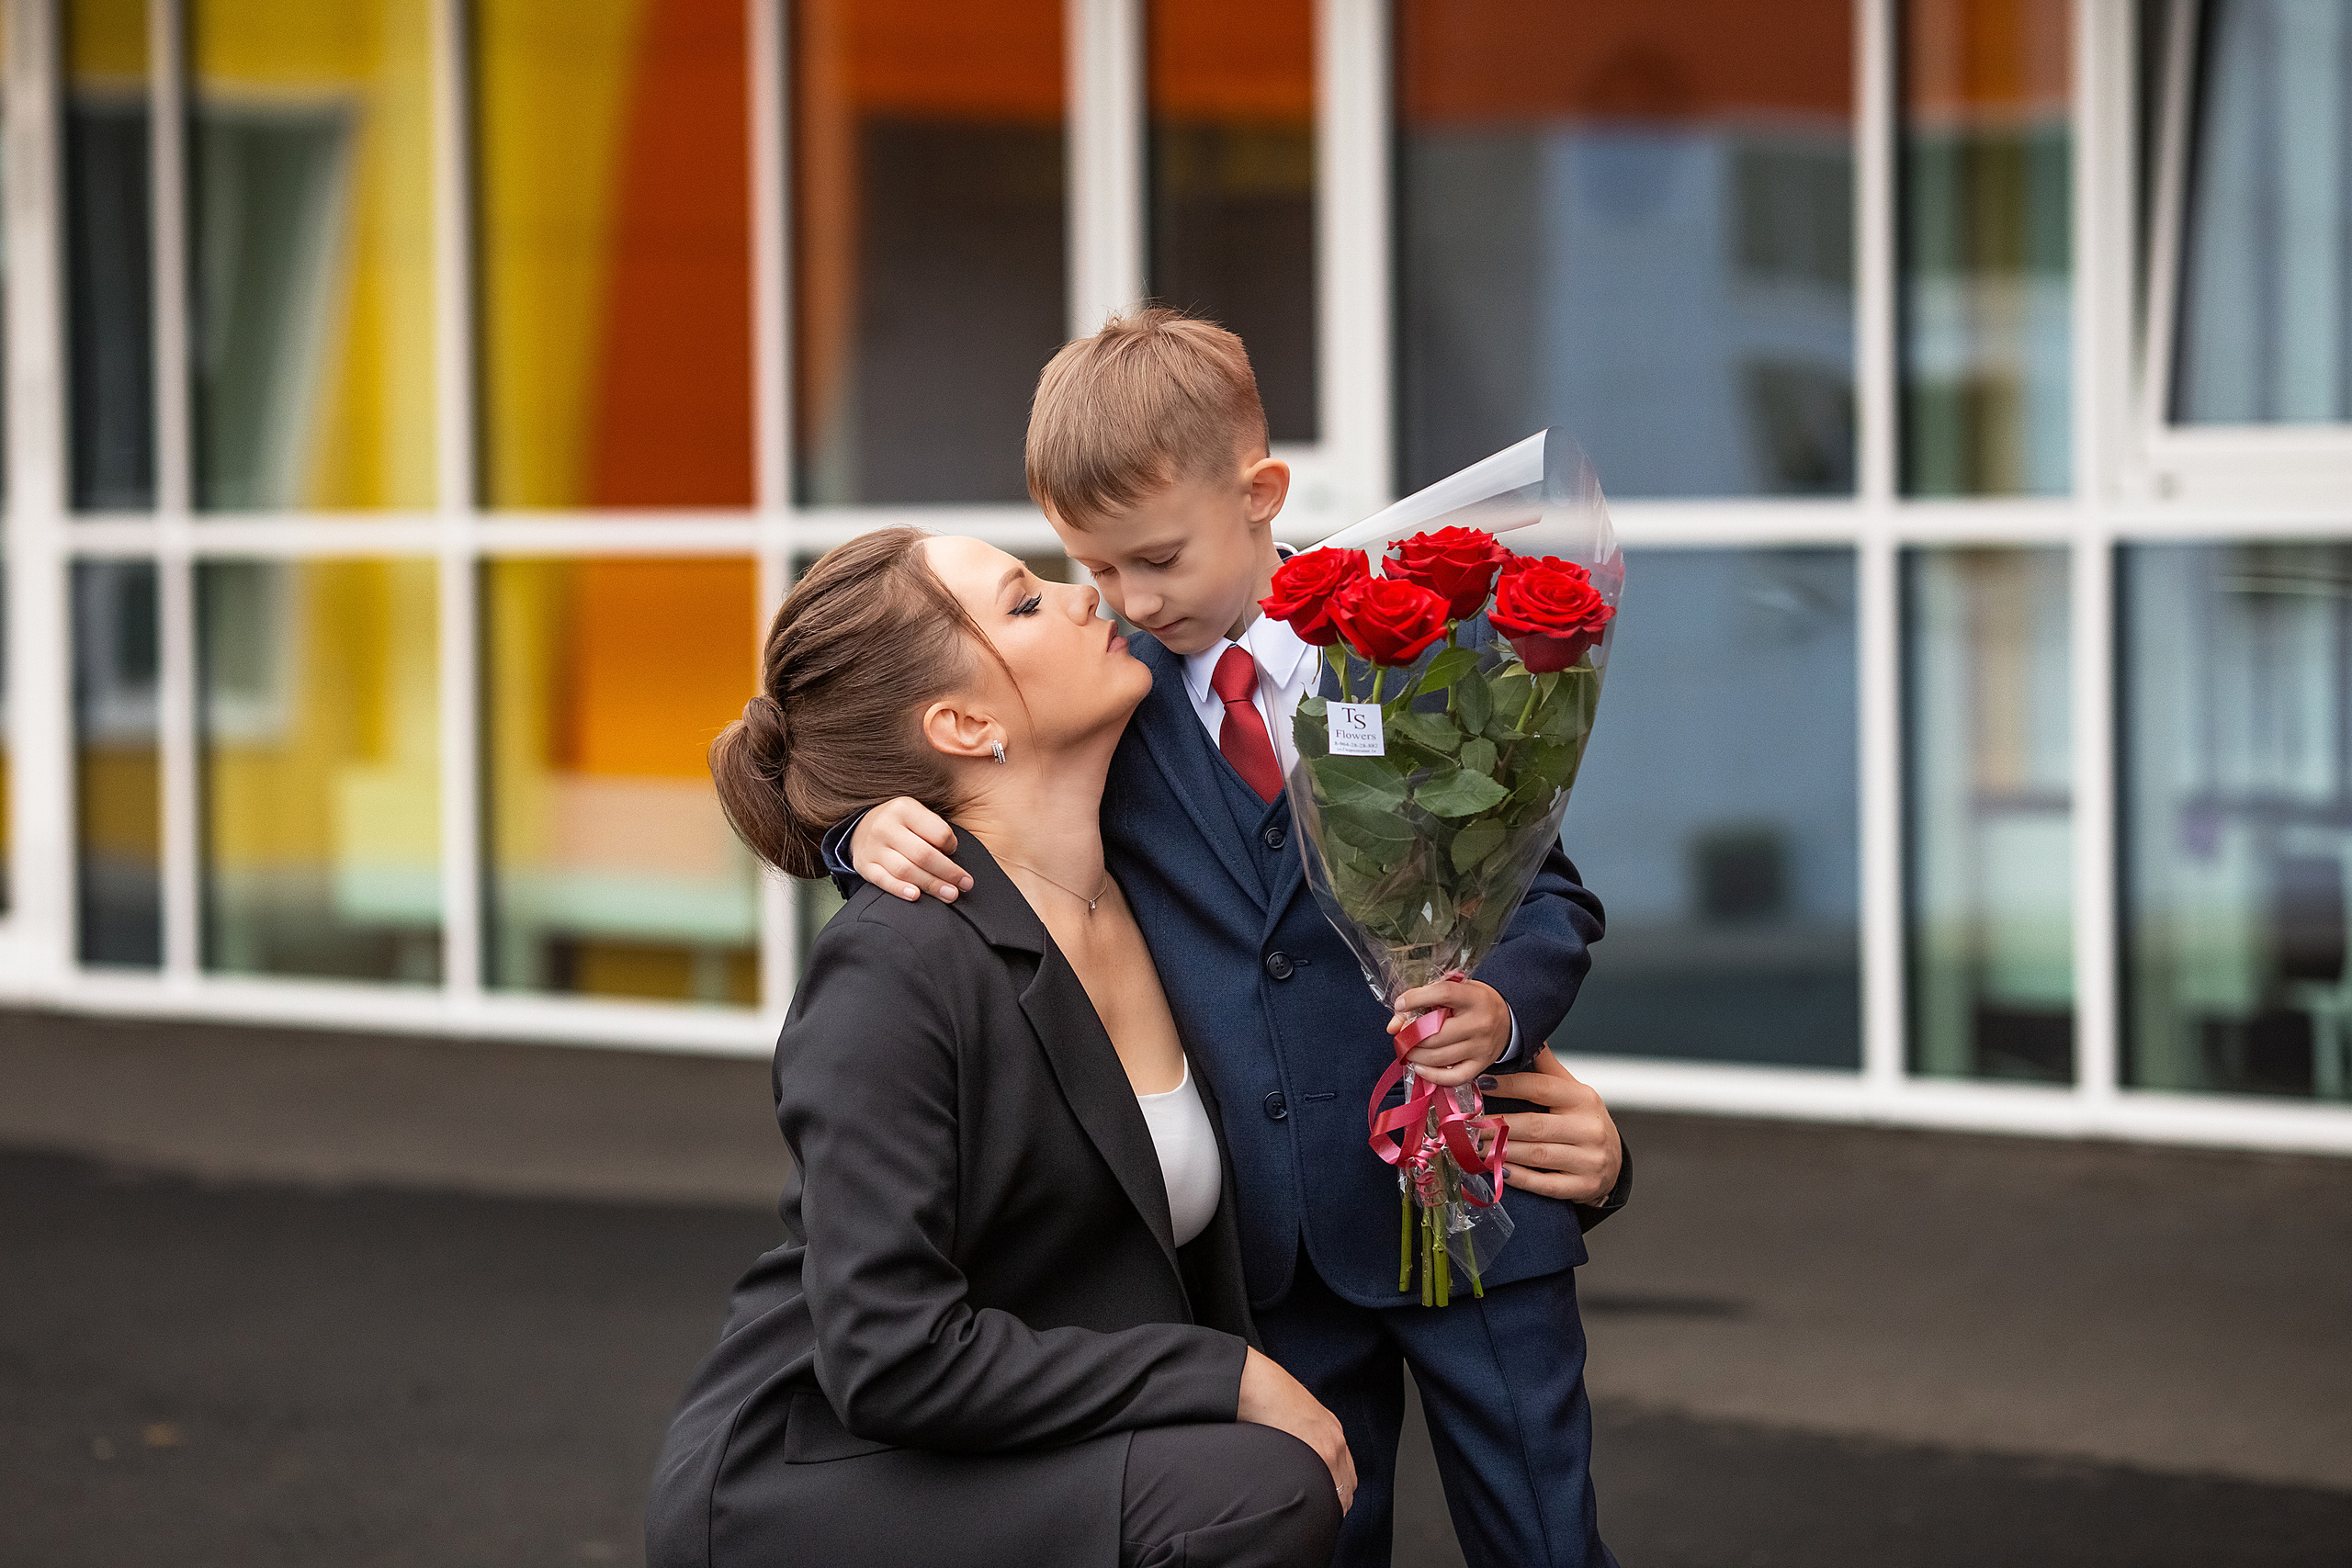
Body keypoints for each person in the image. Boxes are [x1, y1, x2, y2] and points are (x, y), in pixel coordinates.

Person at [829, 310, 1631, 1568]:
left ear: (1261, 494)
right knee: (1319, 1525)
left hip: (1479, 1203)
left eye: (1155, 559)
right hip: (1271, 1250)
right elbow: (945, 792)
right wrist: (856, 829)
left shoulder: (1417, 652)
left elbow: (1549, 891)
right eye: (1092, 572)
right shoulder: (1112, 703)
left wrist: (1506, 1009)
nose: (1127, 601)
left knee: (1544, 1528)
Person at [647, 527, 1351, 1568]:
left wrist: (1541, 1103)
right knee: (1253, 1492)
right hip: (822, 1470)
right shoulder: (891, 969)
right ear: (966, 723)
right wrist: (1221, 1377)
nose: (1086, 599)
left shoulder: (1159, 885)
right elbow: (889, 1360)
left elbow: (1347, 997)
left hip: (1012, 1433)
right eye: (1026, 602)